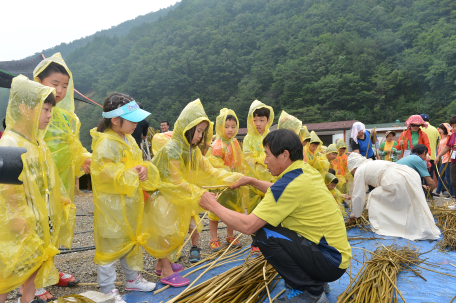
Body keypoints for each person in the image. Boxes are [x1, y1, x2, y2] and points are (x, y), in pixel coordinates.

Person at [199, 129, 351, 303]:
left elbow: (248, 226)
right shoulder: (304, 171)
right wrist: (251, 181)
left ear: (284, 155)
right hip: (336, 257)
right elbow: (278, 190)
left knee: (264, 233)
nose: (264, 160)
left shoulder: (289, 185)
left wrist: (211, 205)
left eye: (267, 154)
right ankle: (316, 281)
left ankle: (310, 292)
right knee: (274, 226)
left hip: (328, 262)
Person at [147, 99, 243, 270]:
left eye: (203, 132)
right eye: (198, 131)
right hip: (163, 197)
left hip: (179, 196)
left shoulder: (193, 150)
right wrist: (201, 193)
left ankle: (162, 265)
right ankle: (165, 271)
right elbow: (175, 182)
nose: (200, 136)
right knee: (167, 232)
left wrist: (235, 177)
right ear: (187, 127)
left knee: (179, 230)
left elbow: (210, 171)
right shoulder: (173, 150)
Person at [91, 93, 162, 302]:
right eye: (132, 120)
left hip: (130, 202)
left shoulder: (129, 139)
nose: (136, 123)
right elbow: (105, 174)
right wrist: (133, 173)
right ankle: (107, 288)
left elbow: (139, 163)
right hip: (111, 206)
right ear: (115, 120)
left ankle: (132, 279)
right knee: (110, 247)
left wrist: (143, 169)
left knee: (131, 242)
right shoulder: (106, 143)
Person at [0, 75, 63, 303]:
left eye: (50, 110)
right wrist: (17, 216)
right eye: (44, 109)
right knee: (10, 267)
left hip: (38, 217)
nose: (49, 116)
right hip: (19, 219)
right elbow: (6, 188)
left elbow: (50, 180)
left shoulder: (39, 143)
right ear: (24, 108)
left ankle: (26, 299)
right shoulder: (9, 143)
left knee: (34, 261)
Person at [33, 53, 91, 298]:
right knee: (37, 230)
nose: (59, 90)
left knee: (54, 228)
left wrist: (86, 159)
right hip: (38, 185)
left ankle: (51, 271)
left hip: (63, 185)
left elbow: (75, 147)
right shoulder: (33, 112)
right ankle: (35, 285)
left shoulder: (68, 118)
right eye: (54, 84)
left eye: (65, 86)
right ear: (38, 81)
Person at [348, 152, 440, 240]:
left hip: (396, 178)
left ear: (353, 167)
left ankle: (385, 225)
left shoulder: (359, 170)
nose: (352, 173)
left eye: (351, 171)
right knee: (410, 203)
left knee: (373, 195)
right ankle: (415, 225)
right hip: (409, 173)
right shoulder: (371, 163)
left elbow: (358, 195)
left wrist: (355, 214)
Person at [205, 109, 247, 251]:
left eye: (233, 126)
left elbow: (239, 162)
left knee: (232, 210)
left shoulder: (234, 142)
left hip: (234, 182)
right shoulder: (217, 144)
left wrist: (239, 175)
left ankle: (230, 236)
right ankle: (213, 238)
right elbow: (216, 165)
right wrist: (229, 176)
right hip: (220, 183)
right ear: (220, 126)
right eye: (226, 126)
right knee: (215, 211)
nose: (230, 129)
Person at [435, 115, 456, 209]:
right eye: (453, 126)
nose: (455, 128)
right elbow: (447, 147)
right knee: (453, 181)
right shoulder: (452, 136)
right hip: (453, 162)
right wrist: (438, 156)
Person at [435, 123, 454, 198]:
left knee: (449, 178)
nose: (440, 130)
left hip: (449, 159)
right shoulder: (442, 137)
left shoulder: (449, 137)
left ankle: (452, 194)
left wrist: (450, 134)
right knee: (440, 176)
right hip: (444, 160)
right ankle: (437, 192)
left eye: (442, 129)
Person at [420, 114, 440, 180]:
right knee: (433, 174)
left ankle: (424, 190)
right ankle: (433, 190)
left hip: (421, 156)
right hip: (433, 156)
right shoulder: (435, 129)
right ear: (429, 120)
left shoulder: (419, 129)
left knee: (422, 176)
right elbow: (438, 142)